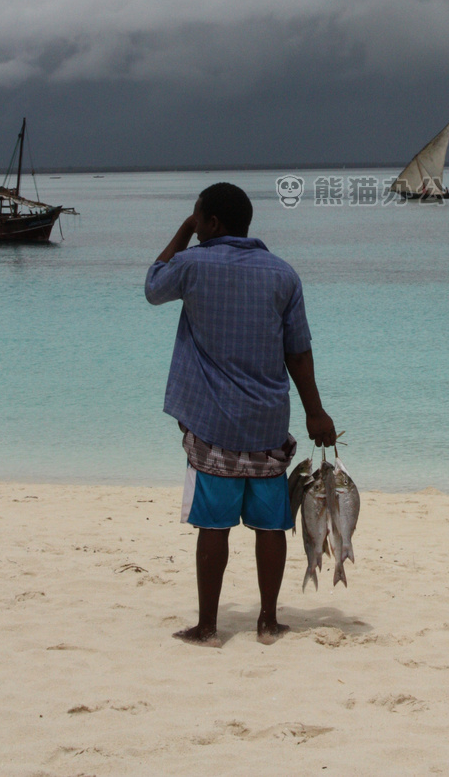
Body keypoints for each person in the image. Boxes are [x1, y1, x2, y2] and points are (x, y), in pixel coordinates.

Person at [145, 182, 337, 646]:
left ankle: (208, 627)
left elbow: (153, 287)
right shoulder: (282, 274)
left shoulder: (190, 265)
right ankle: (268, 622)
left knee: (213, 526)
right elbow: (299, 353)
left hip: (212, 425)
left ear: (211, 223)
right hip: (267, 422)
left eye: (199, 218)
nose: (195, 224)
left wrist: (182, 231)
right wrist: (316, 412)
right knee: (271, 526)